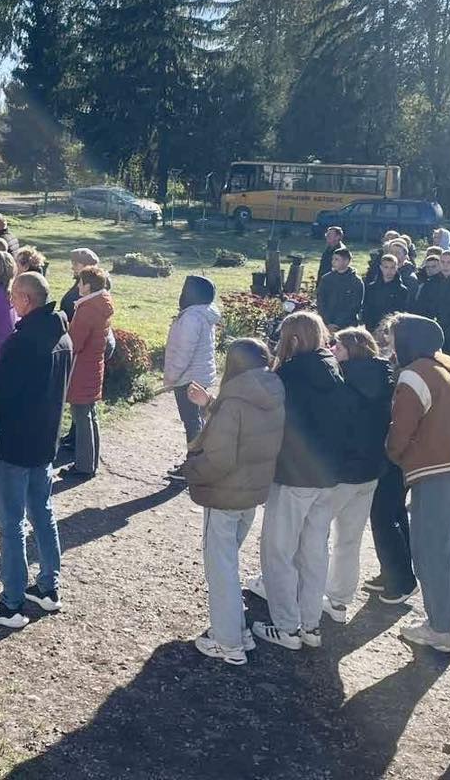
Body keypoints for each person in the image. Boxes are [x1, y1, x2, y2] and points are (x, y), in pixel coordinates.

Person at [0, 272, 71, 630]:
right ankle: (48, 586)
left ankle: (11, 603)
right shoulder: (62, 336)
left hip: (15, 442)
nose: (10, 301)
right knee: (42, 512)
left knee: (11, 523)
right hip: (45, 440)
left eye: (14, 296)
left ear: (26, 300)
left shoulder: (22, 342)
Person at [183, 338, 285, 664]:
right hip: (251, 493)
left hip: (224, 494)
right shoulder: (272, 391)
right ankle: (238, 631)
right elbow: (244, 425)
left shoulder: (233, 401)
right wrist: (210, 403)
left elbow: (220, 457)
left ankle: (228, 643)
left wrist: (191, 469)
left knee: (221, 570)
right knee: (229, 564)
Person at [388, 314, 450, 654]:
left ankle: (439, 630)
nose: (389, 344)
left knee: (430, 551)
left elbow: (401, 431)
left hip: (439, 471)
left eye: (393, 338)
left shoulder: (414, 375)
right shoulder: (446, 363)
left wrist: (395, 456)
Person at [252, 311, 346, 651]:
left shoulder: (289, 374)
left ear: (292, 339)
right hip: (327, 475)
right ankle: (310, 624)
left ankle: (286, 626)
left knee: (278, 551)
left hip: (294, 475)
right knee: (314, 552)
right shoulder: (333, 367)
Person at [323, 328, 394, 623]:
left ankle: (303, 591)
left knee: (312, 534)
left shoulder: (340, 381)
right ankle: (339, 601)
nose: (332, 349)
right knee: (349, 540)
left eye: (337, 346)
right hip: (370, 470)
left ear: (351, 350)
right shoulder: (386, 379)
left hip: (342, 471)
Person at [366, 313, 417, 605]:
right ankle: (392, 571)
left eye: (392, 334)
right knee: (393, 513)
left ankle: (402, 581)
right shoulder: (396, 365)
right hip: (394, 451)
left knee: (384, 515)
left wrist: (393, 451)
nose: (386, 338)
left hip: (395, 453)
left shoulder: (407, 372)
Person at [163, 274, 221, 456]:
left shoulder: (191, 318)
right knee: (197, 418)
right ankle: (199, 456)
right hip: (199, 374)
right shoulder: (203, 312)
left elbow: (184, 352)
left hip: (188, 377)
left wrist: (172, 377)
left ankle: (194, 460)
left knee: (192, 421)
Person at [65, 266, 113, 479]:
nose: (78, 286)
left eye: (80, 282)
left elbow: (75, 342)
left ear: (87, 285)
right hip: (93, 365)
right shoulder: (102, 304)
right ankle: (91, 462)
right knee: (91, 415)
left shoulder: (88, 309)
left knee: (81, 415)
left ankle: (84, 466)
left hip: (81, 368)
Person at [316, 247, 364, 330]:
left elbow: (355, 306)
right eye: (333, 259)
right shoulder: (326, 279)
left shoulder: (356, 282)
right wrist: (327, 322)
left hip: (347, 326)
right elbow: (320, 301)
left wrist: (338, 323)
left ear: (346, 261)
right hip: (326, 324)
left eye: (336, 259)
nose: (333, 262)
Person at [363, 252, 410, 331]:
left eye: (392, 267)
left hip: (392, 329)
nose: (389, 271)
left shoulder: (402, 290)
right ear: (381, 268)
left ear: (397, 268)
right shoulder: (371, 288)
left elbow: (401, 313)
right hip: (372, 328)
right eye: (386, 267)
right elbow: (367, 310)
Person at [59, 248, 100, 321]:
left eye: (75, 264)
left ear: (87, 266)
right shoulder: (80, 281)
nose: (72, 268)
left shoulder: (91, 288)